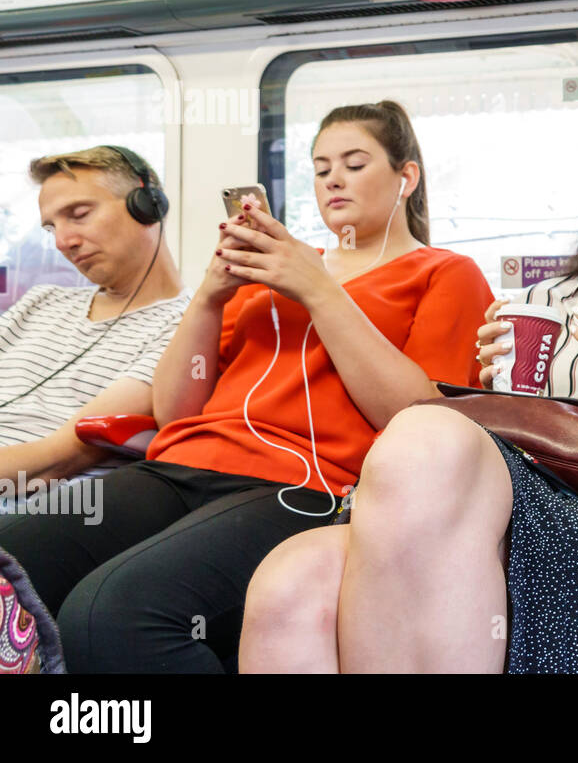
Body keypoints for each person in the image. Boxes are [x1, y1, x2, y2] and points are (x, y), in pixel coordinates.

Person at [0, 101, 493, 671]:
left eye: (354, 164)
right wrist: (211, 296)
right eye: (320, 166)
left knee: (113, 611)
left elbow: (414, 416)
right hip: (181, 464)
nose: (332, 178)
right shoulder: (273, 267)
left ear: (406, 177)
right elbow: (175, 409)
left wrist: (319, 289)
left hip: (303, 483)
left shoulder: (443, 273)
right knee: (15, 558)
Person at [239, 111, 578, 673]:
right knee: (291, 577)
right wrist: (494, 391)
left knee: (425, 435)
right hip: (514, 489)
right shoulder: (540, 302)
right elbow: (507, 434)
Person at [0, 146, 188, 503]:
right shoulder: (39, 303)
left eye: (80, 214)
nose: (62, 242)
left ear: (146, 205)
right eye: (52, 227)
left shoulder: (187, 325)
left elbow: (57, 460)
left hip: (35, 514)